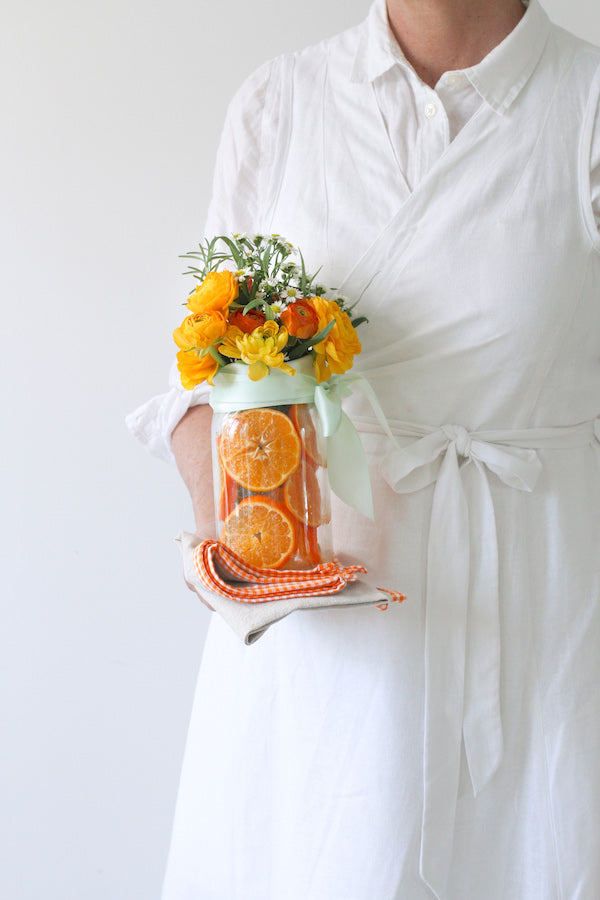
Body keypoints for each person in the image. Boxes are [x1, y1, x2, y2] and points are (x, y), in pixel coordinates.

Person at [127, 0, 600, 896]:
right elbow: (207, 369)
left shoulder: (583, 105)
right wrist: (234, 531)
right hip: (323, 616)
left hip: (534, 607)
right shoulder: (283, 101)